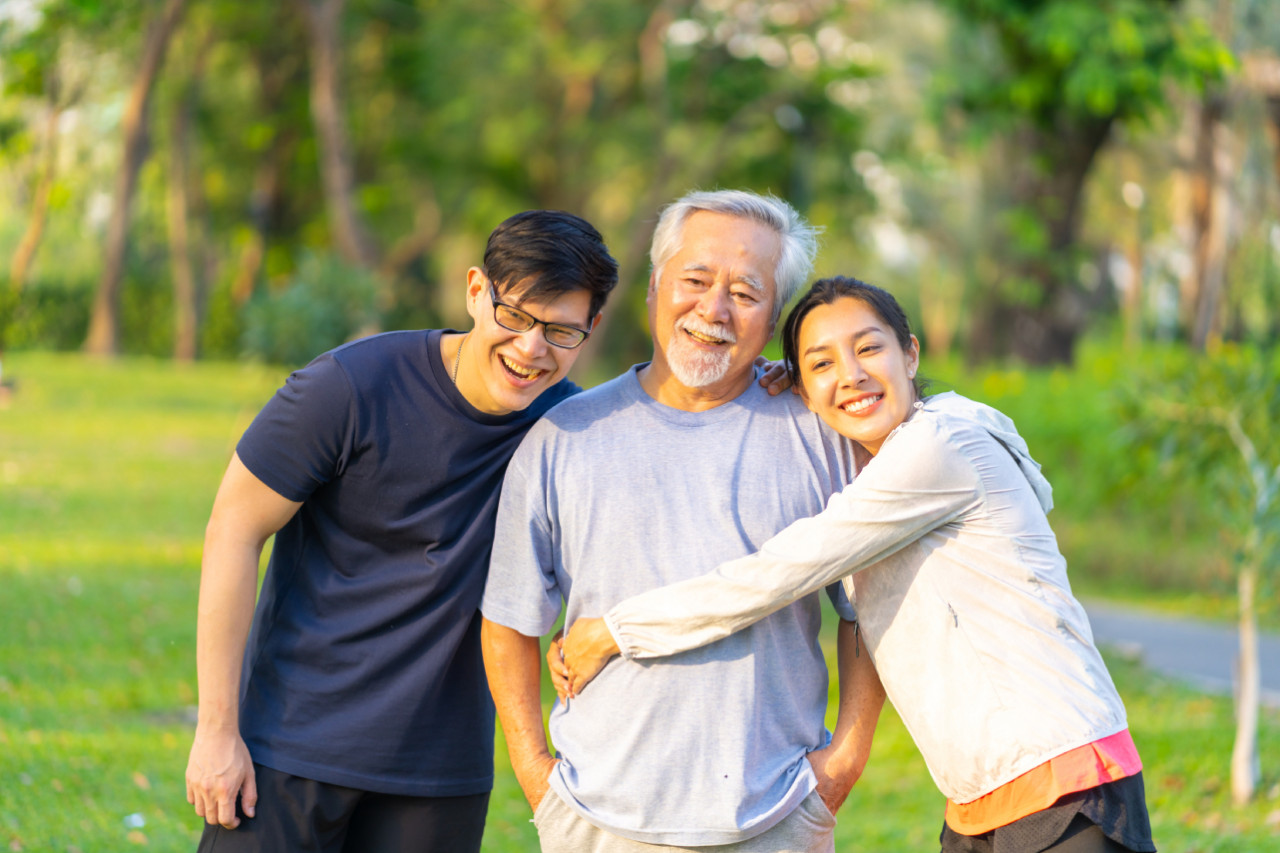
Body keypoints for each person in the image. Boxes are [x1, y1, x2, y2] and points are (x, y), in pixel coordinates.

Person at [561, 276, 1157, 853]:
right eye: (820, 364)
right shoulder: (900, 458)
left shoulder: (940, 447)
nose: (850, 374)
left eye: (868, 348)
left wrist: (616, 631)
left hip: (1063, 778)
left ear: (910, 354)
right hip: (983, 793)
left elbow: (778, 571)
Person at [183, 210, 620, 852]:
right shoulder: (350, 387)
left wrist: (777, 383)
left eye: (560, 331)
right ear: (476, 291)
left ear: (591, 330)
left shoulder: (569, 429)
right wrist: (217, 731)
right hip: (289, 747)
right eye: (516, 316)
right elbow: (233, 530)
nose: (532, 349)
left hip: (440, 774)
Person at [479, 191, 886, 853]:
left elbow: (867, 610)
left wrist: (843, 761)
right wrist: (536, 777)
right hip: (596, 822)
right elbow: (508, 619)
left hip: (776, 816)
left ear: (775, 316)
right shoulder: (564, 436)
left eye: (745, 292)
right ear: (653, 287)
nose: (713, 309)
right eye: (694, 280)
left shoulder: (825, 438)